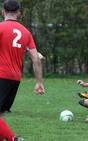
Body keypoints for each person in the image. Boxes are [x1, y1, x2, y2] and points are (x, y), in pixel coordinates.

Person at [0, 0, 45, 141]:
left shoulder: (0, 28)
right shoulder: (26, 32)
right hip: (15, 79)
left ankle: (14, 139)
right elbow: (36, 58)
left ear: (3, 12)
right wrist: (39, 82)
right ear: (18, 13)